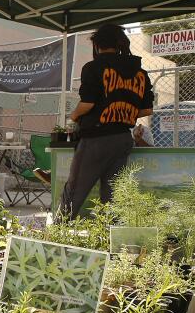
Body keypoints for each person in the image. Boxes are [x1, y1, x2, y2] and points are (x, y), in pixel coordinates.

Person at [59, 24, 154, 218]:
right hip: (122, 139)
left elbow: (87, 103)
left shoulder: (94, 68)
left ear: (97, 45)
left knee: (75, 191)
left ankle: (55, 237)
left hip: (96, 138)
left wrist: (73, 117)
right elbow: (146, 109)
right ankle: (110, 239)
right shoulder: (140, 73)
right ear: (119, 44)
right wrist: (122, 111)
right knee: (113, 196)